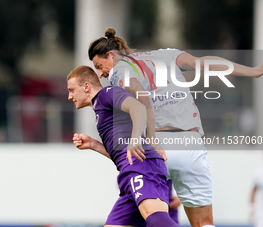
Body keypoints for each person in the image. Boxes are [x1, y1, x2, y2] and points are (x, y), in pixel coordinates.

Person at [87, 27, 263, 227]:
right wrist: (253, 71)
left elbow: (142, 98)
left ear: (111, 54)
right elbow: (204, 64)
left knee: (141, 219)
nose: (101, 74)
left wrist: (151, 139)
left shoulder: (119, 71)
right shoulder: (166, 54)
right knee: (204, 223)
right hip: (191, 144)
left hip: (156, 148)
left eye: (99, 66)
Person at [67, 65, 180, 227]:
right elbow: (120, 153)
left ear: (86, 86)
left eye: (71, 90)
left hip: (141, 165)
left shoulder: (106, 94)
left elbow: (138, 107)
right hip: (129, 171)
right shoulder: (100, 109)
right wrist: (94, 144)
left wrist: (135, 140)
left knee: (156, 219)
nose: (70, 96)